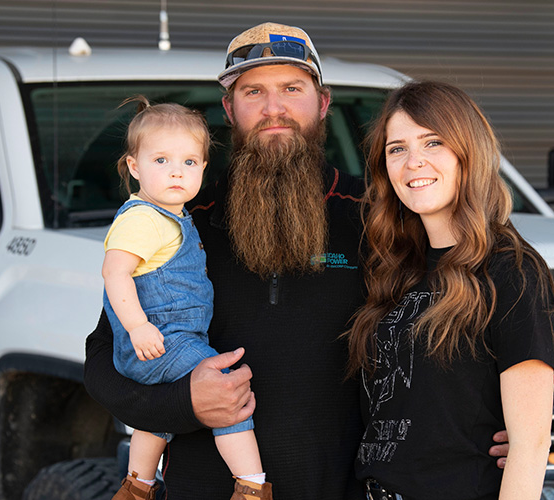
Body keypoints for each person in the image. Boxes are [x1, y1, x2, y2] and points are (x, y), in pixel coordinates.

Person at [84, 23, 511, 500]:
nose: (274, 109)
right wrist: (183, 403)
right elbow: (103, 358)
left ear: (322, 102)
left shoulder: (379, 214)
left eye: (292, 88)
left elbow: (457, 311)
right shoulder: (180, 222)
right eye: (253, 91)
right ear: (229, 109)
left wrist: (500, 422)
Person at [345, 80, 554, 500]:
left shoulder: (511, 270)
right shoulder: (395, 268)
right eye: (397, 148)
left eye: (433, 142)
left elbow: (530, 446)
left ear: (468, 153)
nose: (413, 163)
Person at [101, 98, 268, 500]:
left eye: (189, 162)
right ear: (134, 166)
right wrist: (139, 327)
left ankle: (137, 485)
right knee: (227, 391)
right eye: (161, 160)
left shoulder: (170, 215)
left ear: (204, 168)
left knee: (156, 420)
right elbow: (114, 272)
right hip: (161, 339)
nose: (177, 171)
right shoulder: (142, 218)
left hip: (168, 341)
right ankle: (251, 485)